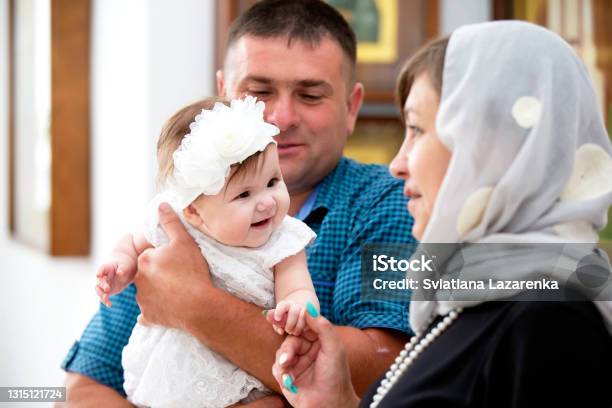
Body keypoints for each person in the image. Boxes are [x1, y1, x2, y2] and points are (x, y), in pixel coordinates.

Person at [60, 1, 416, 406]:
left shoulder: (393, 201)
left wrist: (195, 304)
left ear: (351, 107)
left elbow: (383, 366)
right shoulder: (181, 215)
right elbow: (82, 388)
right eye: (259, 92)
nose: (281, 117)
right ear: (225, 95)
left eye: (311, 94)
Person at [269, 21, 612, 407]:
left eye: (416, 129)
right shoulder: (474, 296)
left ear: (488, 146)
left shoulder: (549, 317)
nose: (397, 163)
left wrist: (199, 300)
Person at [94, 96, 319, 407]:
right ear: (195, 212)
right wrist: (120, 265)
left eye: (272, 181)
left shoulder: (283, 240)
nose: (267, 201)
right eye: (243, 194)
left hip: (244, 377)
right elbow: (134, 243)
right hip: (173, 368)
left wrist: (296, 307)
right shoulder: (175, 221)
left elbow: (297, 286)